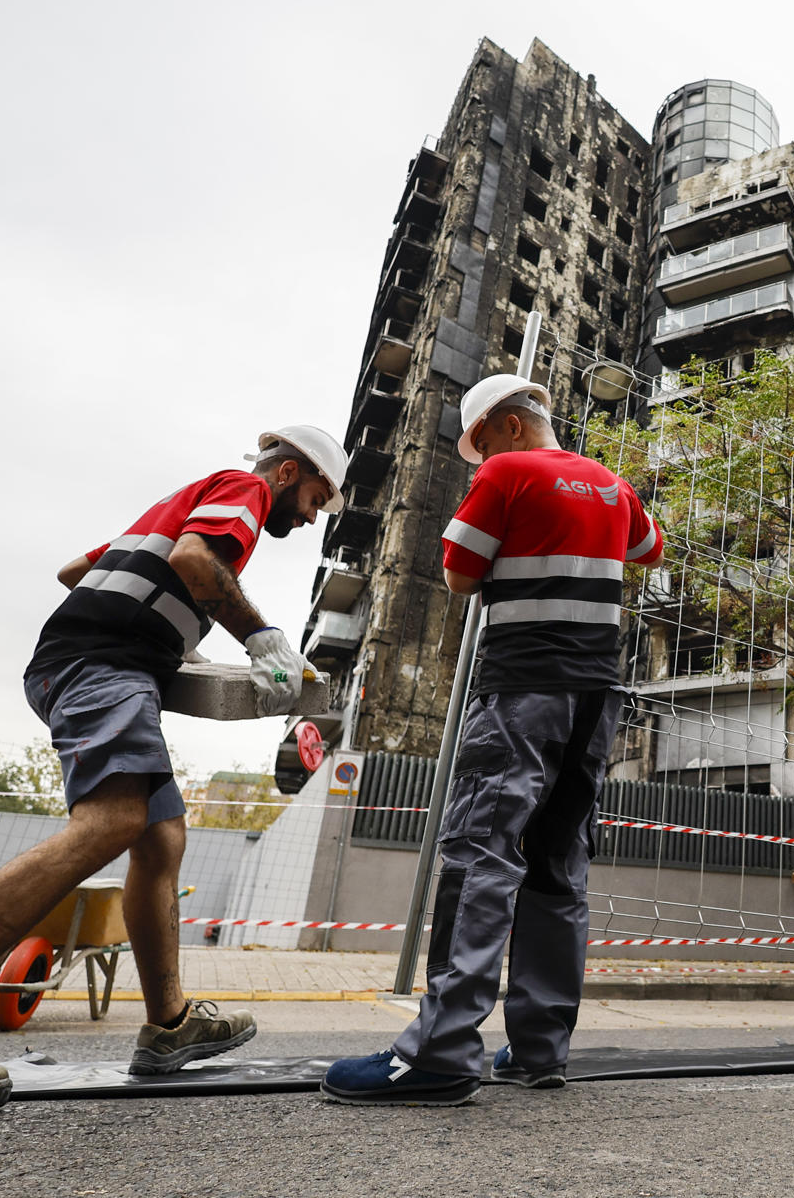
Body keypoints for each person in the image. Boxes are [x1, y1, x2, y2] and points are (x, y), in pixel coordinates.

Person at [0, 426, 347, 1118]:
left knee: (162, 837)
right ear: (289, 473)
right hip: (102, 666)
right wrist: (262, 638)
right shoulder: (247, 489)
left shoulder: (170, 510)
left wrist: (174, 642)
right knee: (112, 821)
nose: (312, 516)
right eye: (316, 498)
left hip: (102, 662)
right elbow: (200, 561)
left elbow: (77, 573)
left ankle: (170, 1026)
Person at [322, 374, 663, 1107]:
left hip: (522, 688)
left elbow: (457, 573)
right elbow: (649, 551)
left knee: (481, 852)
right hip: (596, 696)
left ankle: (440, 1053)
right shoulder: (612, 483)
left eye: (478, 443)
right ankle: (539, 1049)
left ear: (507, 426)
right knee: (557, 864)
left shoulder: (508, 472)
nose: (479, 460)